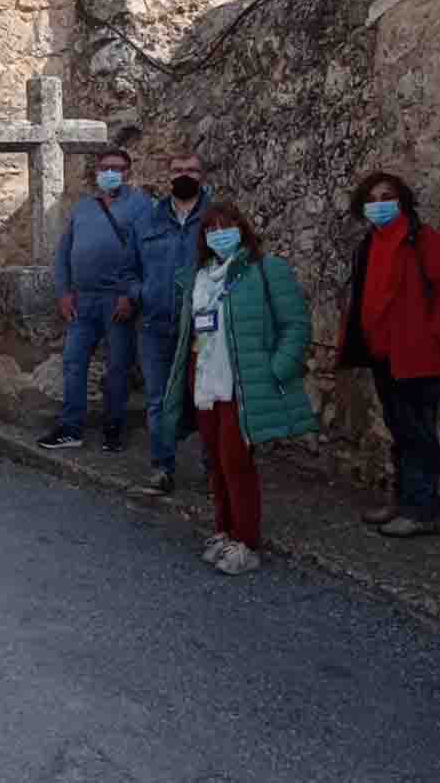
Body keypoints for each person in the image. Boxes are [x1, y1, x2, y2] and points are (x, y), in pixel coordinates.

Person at [161, 201, 315, 575]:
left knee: (237, 463)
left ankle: (246, 541)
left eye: (227, 226)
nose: (219, 234)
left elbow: (296, 326)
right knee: (215, 463)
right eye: (211, 229)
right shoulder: (198, 277)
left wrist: (274, 370)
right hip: (205, 383)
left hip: (241, 384)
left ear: (243, 230)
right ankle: (224, 531)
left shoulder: (266, 271)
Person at [337, 173, 440, 537]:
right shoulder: (369, 243)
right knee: (400, 429)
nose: (379, 203)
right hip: (382, 354)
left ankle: (424, 509)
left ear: (402, 201)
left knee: (419, 433)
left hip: (416, 355)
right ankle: (404, 500)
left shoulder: (420, 240)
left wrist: (429, 334)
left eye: (388, 196)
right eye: (373, 198)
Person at [38, 148, 150, 453]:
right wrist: (63, 291)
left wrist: (130, 295)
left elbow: (147, 255)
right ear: (97, 172)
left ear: (128, 173)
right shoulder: (84, 207)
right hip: (82, 300)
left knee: (117, 366)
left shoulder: (141, 206)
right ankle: (70, 427)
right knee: (74, 362)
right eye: (105, 167)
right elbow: (63, 253)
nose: (110, 172)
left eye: (117, 168)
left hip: (117, 300)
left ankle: (113, 426)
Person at [129, 151, 212, 495]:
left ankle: (213, 472)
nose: (184, 175)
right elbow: (129, 268)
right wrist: (142, 293)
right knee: (157, 399)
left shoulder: (217, 218)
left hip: (203, 327)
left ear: (202, 175)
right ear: (168, 175)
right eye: (178, 170)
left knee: (207, 398)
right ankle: (162, 467)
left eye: (191, 170)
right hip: (155, 323)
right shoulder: (148, 220)